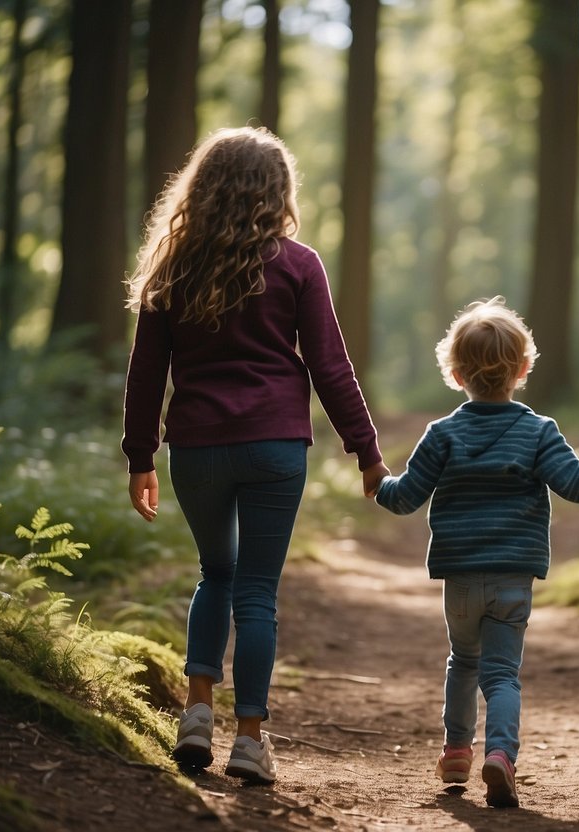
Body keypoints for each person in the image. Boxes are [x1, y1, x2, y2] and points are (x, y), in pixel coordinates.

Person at [122, 126, 389, 785]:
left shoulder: (171, 263)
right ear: (277, 191)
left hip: (197, 448)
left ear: (201, 186)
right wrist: (367, 452)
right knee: (257, 592)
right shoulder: (297, 264)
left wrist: (139, 457)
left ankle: (194, 715)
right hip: (274, 447)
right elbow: (331, 367)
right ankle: (248, 741)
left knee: (216, 574)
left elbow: (145, 372)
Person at [374, 297, 579, 808]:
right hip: (513, 578)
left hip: (460, 578)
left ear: (455, 374)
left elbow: (405, 495)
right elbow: (577, 483)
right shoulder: (538, 431)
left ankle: (456, 751)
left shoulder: (442, 434)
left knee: (462, 661)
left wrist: (377, 482)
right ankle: (500, 755)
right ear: (523, 369)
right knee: (501, 674)